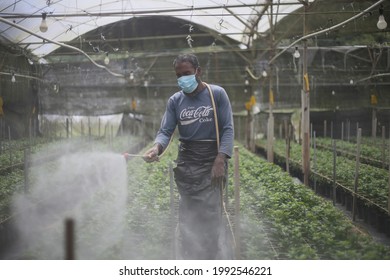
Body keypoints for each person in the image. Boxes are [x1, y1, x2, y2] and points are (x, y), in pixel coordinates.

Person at [143, 53, 234, 259]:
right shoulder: (175, 101)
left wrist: (220, 159)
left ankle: (211, 256)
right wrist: (156, 148)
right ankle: (191, 256)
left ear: (198, 72)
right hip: (187, 163)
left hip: (212, 161)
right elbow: (166, 131)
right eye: (178, 75)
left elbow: (227, 128)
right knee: (188, 213)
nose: (182, 79)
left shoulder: (216, 94)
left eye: (187, 73)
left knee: (210, 214)